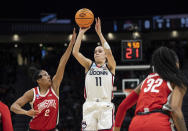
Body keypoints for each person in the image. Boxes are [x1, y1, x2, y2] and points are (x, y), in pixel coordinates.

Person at [10, 28, 76, 131]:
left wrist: (71, 44)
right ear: (38, 80)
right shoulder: (32, 93)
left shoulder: (54, 87)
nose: (49, 76)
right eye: (45, 75)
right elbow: (13, 106)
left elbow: (62, 64)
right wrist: (26, 112)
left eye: (48, 74)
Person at [114, 47, 188, 131]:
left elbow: (123, 106)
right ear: (176, 64)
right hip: (158, 123)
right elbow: (175, 109)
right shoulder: (177, 80)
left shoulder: (147, 80)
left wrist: (116, 129)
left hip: (136, 124)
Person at [72, 17, 116, 131]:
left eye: (100, 51)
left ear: (105, 55)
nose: (96, 53)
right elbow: (75, 52)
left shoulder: (110, 67)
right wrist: (81, 32)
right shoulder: (89, 65)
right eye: (95, 51)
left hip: (105, 105)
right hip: (89, 106)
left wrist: (100, 34)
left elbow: (109, 53)